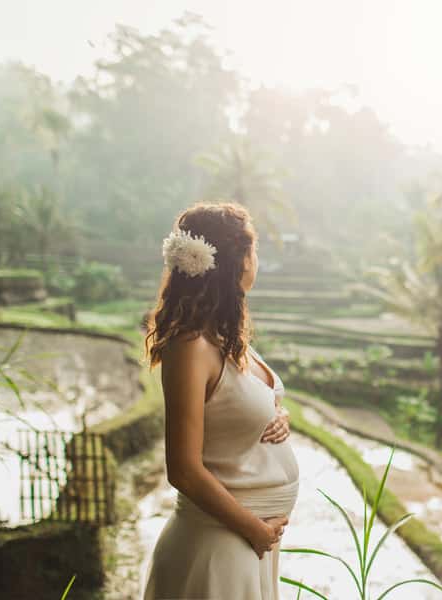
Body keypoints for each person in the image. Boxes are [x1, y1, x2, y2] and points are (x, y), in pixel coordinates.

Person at [141, 201, 299, 599]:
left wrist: (277, 414)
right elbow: (183, 469)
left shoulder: (223, 336)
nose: (256, 260)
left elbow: (232, 405)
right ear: (236, 262)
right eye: (254, 249)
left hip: (248, 544)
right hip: (220, 544)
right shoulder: (191, 347)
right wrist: (253, 528)